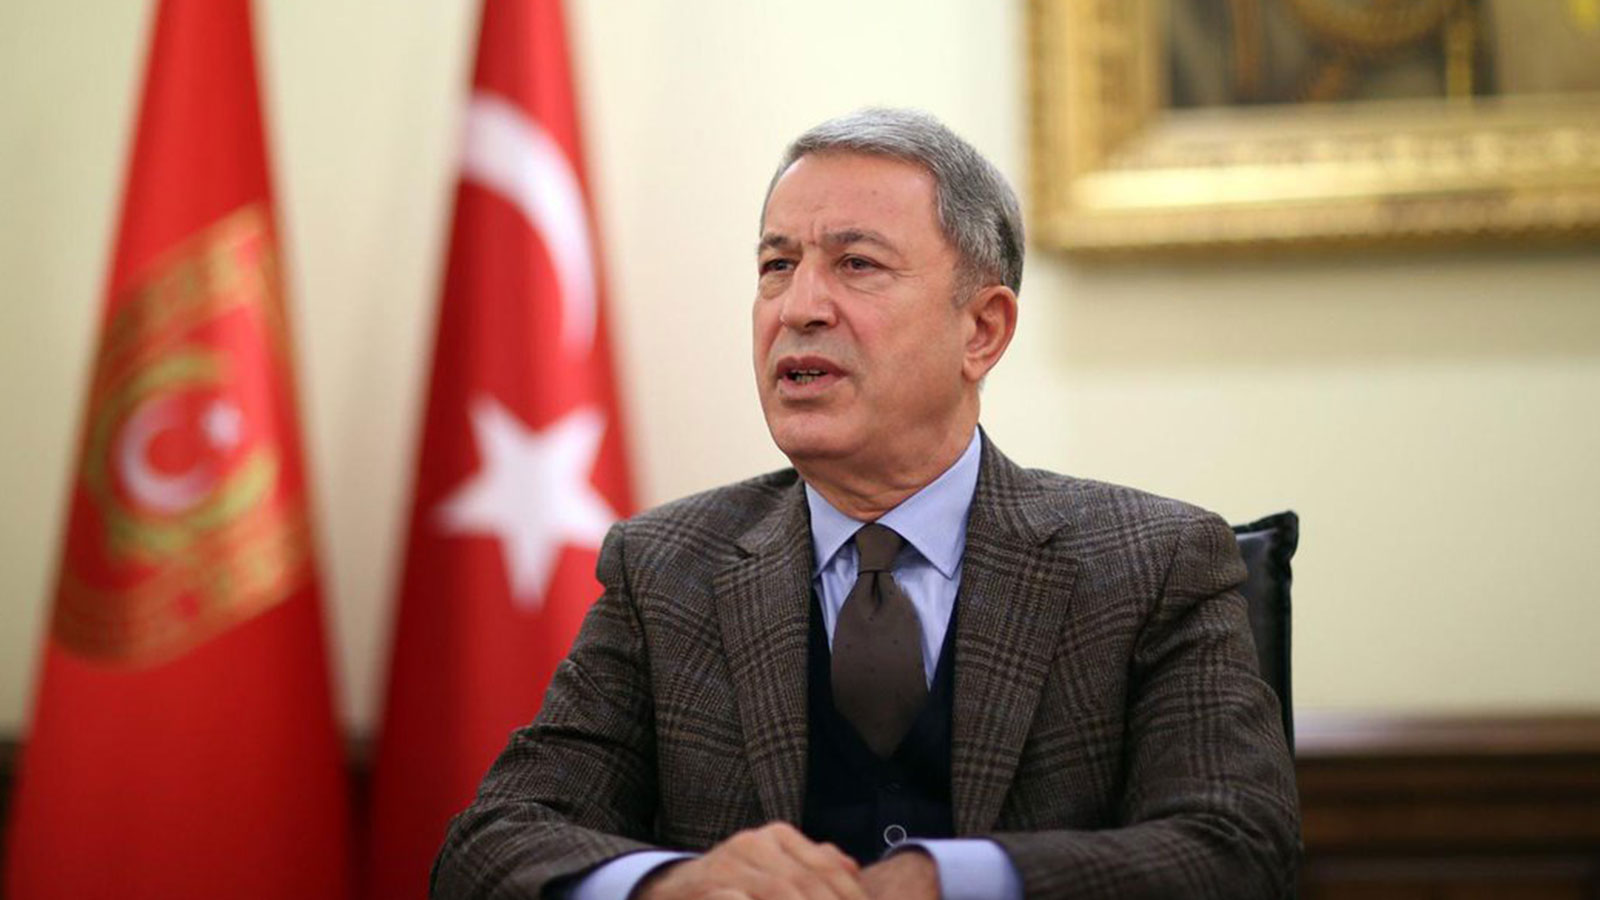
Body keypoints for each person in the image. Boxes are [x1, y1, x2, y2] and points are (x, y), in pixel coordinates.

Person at [431, 108, 1299, 899]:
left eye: (856, 264)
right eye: (777, 266)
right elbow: (490, 845)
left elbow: (1236, 850)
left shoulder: (1153, 564)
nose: (799, 308)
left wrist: (953, 880)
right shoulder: (667, 569)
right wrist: (670, 885)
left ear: (982, 330)